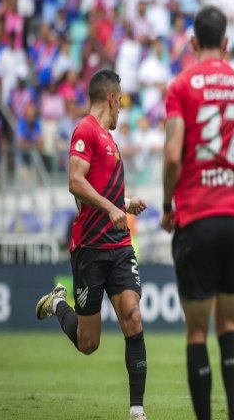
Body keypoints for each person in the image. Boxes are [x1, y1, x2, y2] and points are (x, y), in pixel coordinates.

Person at [160, 6, 234, 420]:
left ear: (192, 44)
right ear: (226, 43)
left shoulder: (181, 86)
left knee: (197, 330)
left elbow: (173, 156)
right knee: (229, 325)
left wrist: (169, 205)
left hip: (197, 217)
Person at [35, 69, 149, 420]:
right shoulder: (86, 129)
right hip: (90, 247)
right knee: (89, 344)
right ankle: (57, 304)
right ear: (112, 98)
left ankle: (137, 410)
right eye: (121, 103)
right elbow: (75, 181)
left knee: (132, 315)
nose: (121, 112)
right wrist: (114, 207)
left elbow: (101, 188)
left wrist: (125, 203)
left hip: (118, 245)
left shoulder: (109, 140)